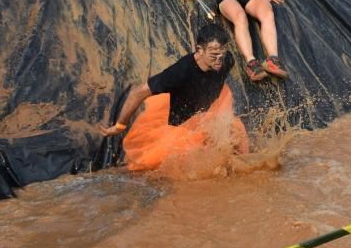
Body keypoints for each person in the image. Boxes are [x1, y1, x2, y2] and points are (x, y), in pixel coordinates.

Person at [98, 23, 249, 171]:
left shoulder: (227, 60)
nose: (219, 59)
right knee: (181, 161)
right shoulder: (180, 72)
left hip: (205, 109)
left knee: (235, 129)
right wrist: (120, 125)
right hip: (181, 125)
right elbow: (137, 92)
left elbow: (216, 75)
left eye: (222, 52)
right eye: (213, 54)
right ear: (199, 50)